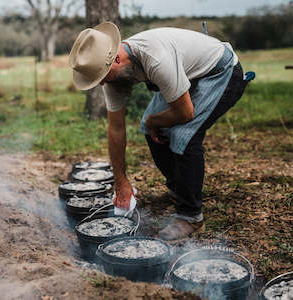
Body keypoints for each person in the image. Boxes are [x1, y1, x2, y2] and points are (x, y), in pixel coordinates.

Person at [69, 21, 250, 240]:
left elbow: (185, 114)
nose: (100, 84)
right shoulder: (112, 75)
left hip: (220, 72)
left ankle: (191, 216)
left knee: (183, 135)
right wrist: (121, 182)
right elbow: (116, 128)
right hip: (186, 76)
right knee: (148, 125)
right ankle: (180, 188)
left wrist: (156, 121)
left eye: (102, 78)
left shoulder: (155, 58)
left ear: (116, 60)